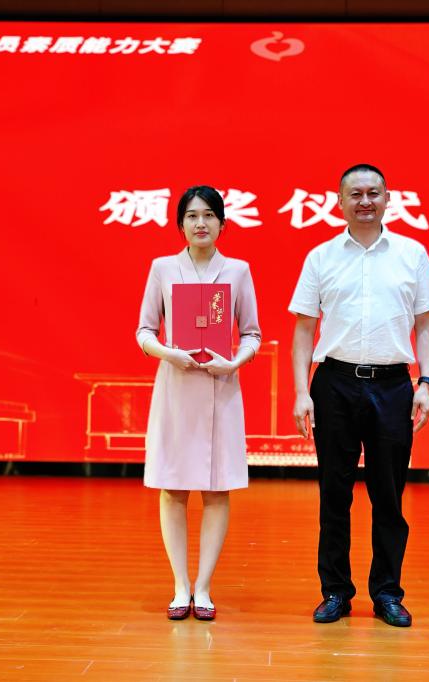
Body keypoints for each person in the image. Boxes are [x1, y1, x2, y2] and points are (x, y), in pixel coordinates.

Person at [289, 164, 429, 628]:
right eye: (355, 194)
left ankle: (387, 593)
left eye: (373, 193)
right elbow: (304, 329)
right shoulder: (321, 257)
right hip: (334, 384)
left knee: (389, 496)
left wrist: (426, 382)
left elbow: (426, 324)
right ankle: (335, 591)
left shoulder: (412, 254)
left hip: (393, 386)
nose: (365, 201)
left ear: (387, 199)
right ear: (339, 202)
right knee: (334, 495)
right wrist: (301, 391)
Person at [136, 185, 261, 621]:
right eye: (192, 216)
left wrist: (235, 362)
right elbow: (144, 331)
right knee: (173, 487)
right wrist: (169, 353)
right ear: (181, 225)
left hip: (221, 389)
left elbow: (252, 334)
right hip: (176, 386)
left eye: (209, 215)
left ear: (223, 224)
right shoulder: (163, 268)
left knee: (216, 488)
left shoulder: (238, 271)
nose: (201, 223)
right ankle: (180, 586)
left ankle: (203, 588)